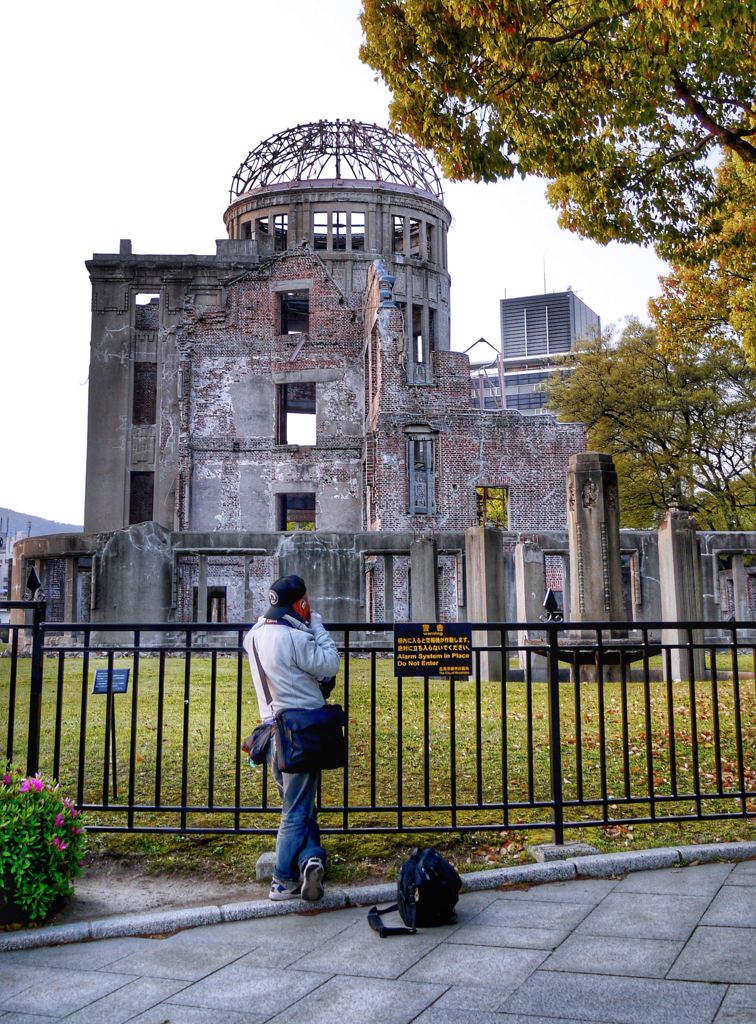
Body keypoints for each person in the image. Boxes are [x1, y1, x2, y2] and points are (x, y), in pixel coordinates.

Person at [243, 574, 340, 901]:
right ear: (301, 603)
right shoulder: (295, 638)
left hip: (272, 735)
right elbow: (330, 664)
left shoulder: (253, 637)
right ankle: (282, 880)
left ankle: (310, 860)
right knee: (296, 812)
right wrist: (316, 625)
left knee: (301, 806)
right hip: (300, 734)